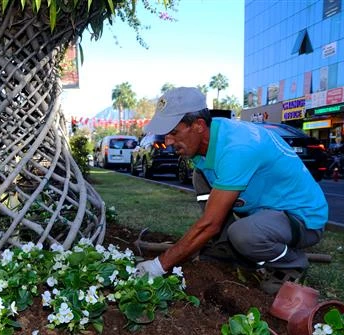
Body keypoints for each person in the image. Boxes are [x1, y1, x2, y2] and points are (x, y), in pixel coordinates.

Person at [135, 87, 328, 294]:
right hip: (265, 212)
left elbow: (210, 224)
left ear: (199, 125)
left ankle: (291, 263)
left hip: (302, 219)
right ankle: (226, 247)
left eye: (174, 133)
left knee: (243, 235)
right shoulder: (210, 140)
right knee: (200, 176)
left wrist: (158, 265)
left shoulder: (238, 148)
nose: (168, 142)